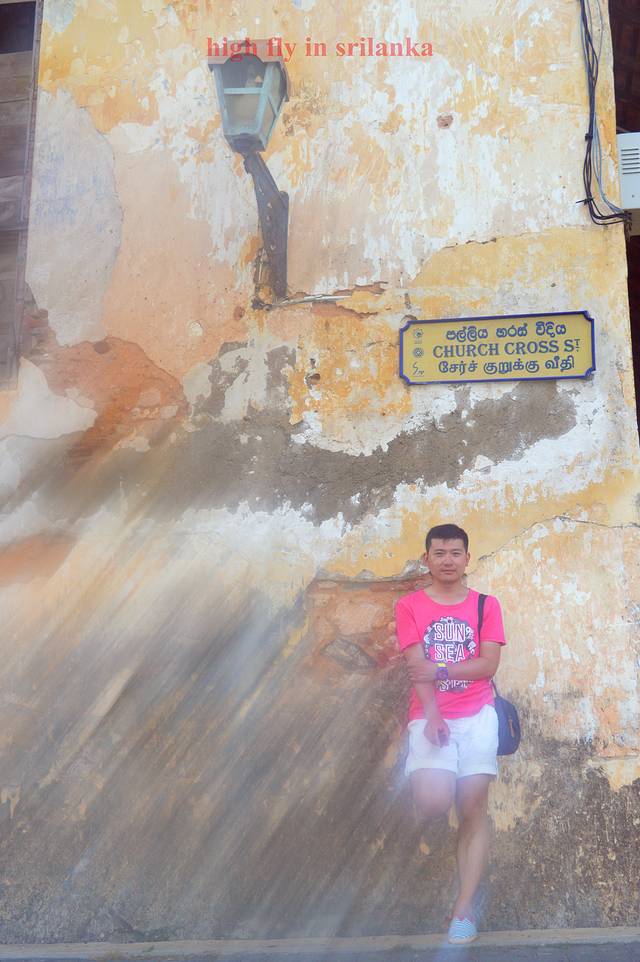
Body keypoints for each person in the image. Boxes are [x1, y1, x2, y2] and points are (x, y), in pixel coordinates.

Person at [395, 523, 506, 945]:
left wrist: (441, 669)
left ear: (466, 558)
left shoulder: (485, 605)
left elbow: (487, 665)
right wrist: (433, 714)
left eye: (455, 553)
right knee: (434, 801)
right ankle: (461, 901)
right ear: (426, 559)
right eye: (439, 553)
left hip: (478, 717)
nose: (447, 560)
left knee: (473, 807)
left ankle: (463, 910)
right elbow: (415, 667)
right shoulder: (409, 606)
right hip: (429, 716)